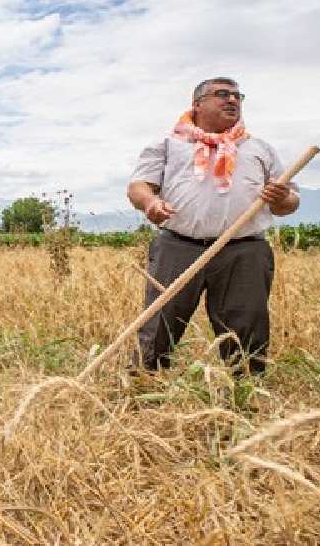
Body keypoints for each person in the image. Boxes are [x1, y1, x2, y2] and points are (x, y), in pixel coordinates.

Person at [127, 77, 299, 375]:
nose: (232, 100)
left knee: (246, 322)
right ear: (197, 104)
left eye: (237, 96)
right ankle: (144, 381)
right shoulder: (168, 144)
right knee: (159, 321)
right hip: (178, 246)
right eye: (222, 94)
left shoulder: (259, 148)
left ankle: (246, 390)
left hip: (244, 250)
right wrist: (151, 204)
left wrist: (282, 197)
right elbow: (139, 186)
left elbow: (289, 203)